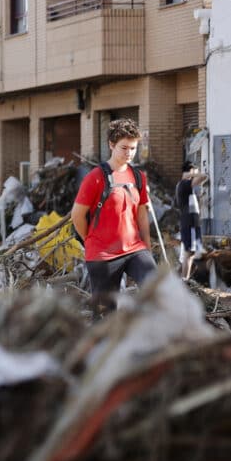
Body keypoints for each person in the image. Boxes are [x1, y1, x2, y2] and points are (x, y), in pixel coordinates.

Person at [70, 118, 155, 315]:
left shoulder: (138, 177)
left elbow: (142, 216)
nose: (129, 153)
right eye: (124, 148)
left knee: (156, 288)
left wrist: (147, 250)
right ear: (111, 145)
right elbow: (77, 215)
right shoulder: (95, 177)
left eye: (133, 148)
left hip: (134, 249)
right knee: (105, 316)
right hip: (103, 256)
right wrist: (90, 240)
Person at [176, 161, 208, 280]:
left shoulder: (185, 185)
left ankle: (184, 279)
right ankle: (185, 280)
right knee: (189, 252)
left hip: (191, 223)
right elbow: (204, 177)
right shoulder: (184, 183)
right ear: (190, 171)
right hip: (189, 223)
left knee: (190, 252)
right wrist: (194, 173)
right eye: (195, 170)